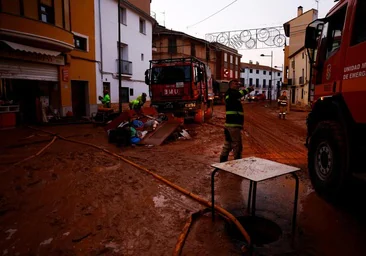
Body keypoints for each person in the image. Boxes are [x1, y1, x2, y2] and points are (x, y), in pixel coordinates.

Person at [219, 79, 254, 162]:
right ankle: (238, 162)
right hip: (233, 125)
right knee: (237, 144)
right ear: (230, 85)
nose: (238, 85)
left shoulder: (230, 94)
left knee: (228, 144)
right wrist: (248, 89)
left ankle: (222, 161)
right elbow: (239, 94)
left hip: (230, 125)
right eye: (235, 84)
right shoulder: (231, 94)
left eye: (238, 84)